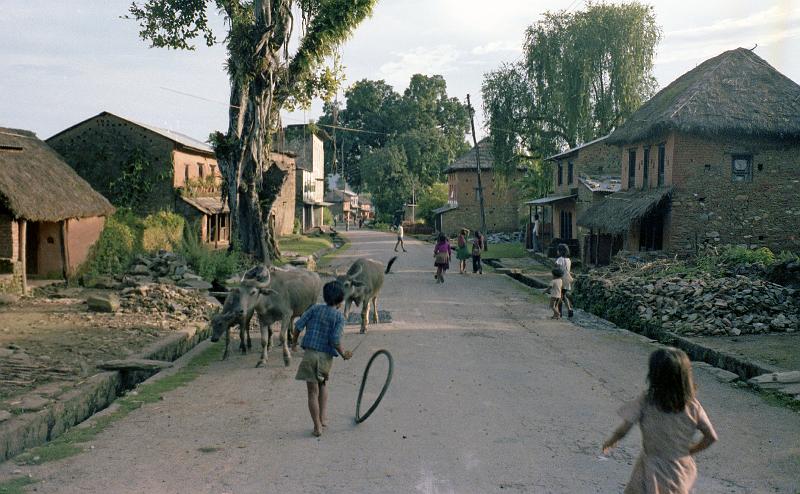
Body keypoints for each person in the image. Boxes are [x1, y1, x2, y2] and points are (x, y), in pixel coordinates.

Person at [603, 347, 717, 493]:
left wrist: (612, 440)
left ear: (654, 376)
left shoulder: (647, 401)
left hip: (650, 468)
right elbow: (711, 437)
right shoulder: (693, 406)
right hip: (679, 469)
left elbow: (624, 428)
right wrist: (690, 450)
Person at [292, 280, 353, 437]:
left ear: (325, 297)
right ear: (340, 301)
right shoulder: (339, 317)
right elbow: (334, 339)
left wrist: (294, 344)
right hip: (326, 359)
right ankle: (323, 417)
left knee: (312, 392)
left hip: (310, 355)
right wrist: (343, 353)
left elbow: (298, 326)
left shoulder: (314, 308)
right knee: (323, 384)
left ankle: (317, 426)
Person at [555, 243, 574, 318]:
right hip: (567, 280)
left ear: (560, 251)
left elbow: (557, 269)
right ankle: (569, 309)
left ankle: (560, 312)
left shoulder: (559, 259)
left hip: (561, 280)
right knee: (564, 295)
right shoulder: (568, 260)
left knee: (559, 296)